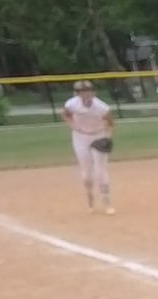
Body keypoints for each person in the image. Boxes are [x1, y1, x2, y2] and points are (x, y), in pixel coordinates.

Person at [62, 80, 115, 215]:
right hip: (80, 138)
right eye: (83, 91)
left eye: (89, 91)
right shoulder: (72, 104)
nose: (87, 94)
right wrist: (74, 126)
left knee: (100, 170)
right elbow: (65, 114)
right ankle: (90, 195)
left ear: (93, 92)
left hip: (98, 136)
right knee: (86, 174)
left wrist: (108, 138)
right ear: (78, 94)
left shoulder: (101, 107)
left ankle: (107, 202)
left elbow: (111, 123)